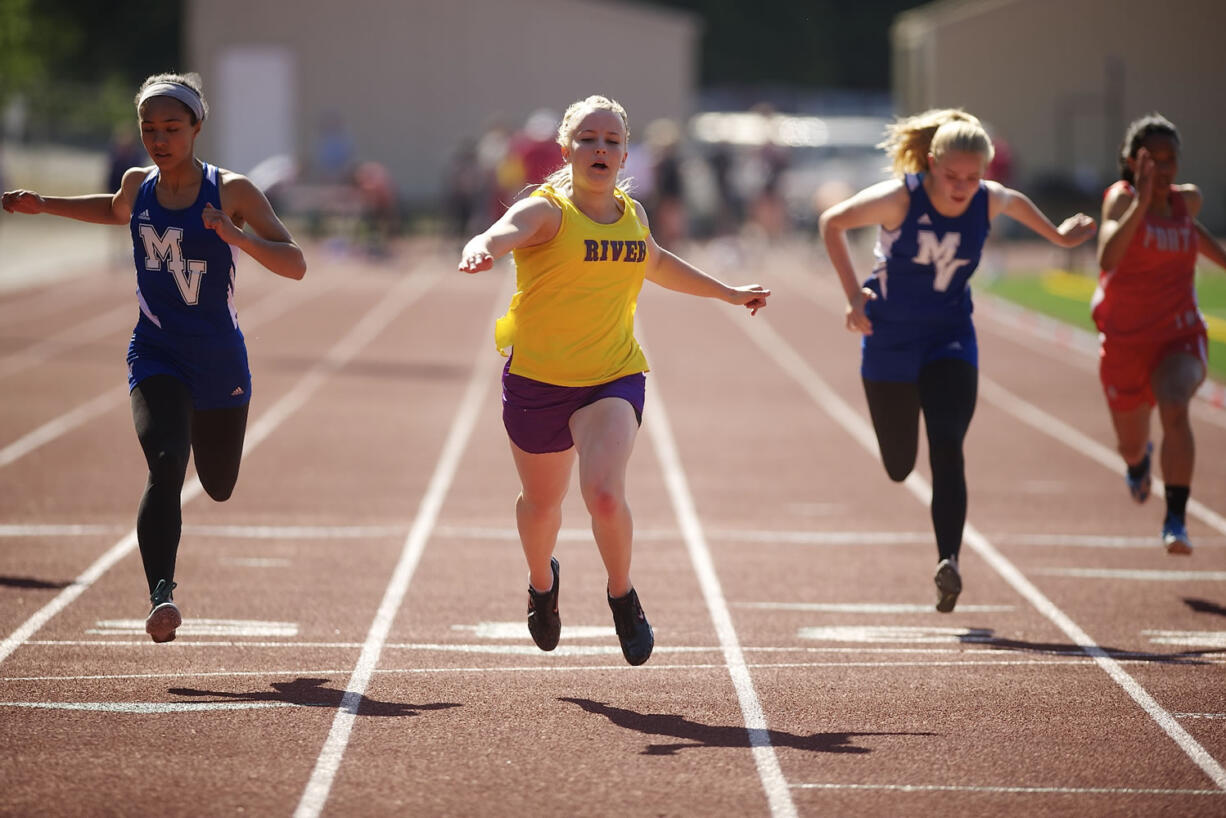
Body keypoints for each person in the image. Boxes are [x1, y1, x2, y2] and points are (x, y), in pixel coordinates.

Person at [458, 95, 769, 665]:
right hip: (538, 381)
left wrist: (727, 291)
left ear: (626, 153)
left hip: (612, 375)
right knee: (541, 506)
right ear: (567, 149)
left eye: (611, 141)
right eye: (588, 139)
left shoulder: (633, 213)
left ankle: (622, 595)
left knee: (603, 495)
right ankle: (541, 584)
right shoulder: (547, 211)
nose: (600, 149)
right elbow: (504, 230)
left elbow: (654, 262)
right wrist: (483, 245)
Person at [2, 72, 306, 642]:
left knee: (217, 483)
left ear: (196, 127)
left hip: (218, 360)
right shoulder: (138, 184)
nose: (159, 139)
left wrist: (238, 238)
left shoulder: (232, 191)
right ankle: (161, 593)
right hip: (156, 350)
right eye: (149, 129)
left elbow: (295, 263)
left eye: (171, 127)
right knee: (166, 460)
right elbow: (114, 210)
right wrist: (44, 205)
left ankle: (196, 439)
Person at [819, 108, 1096, 612]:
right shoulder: (901, 197)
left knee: (948, 441)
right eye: (952, 177)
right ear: (930, 163)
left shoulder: (990, 201)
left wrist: (1060, 237)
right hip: (889, 342)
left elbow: (1026, 212)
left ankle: (949, 559)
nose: (963, 187)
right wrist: (853, 296)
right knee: (900, 466)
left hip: (949, 337)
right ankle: (925, 500)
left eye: (974, 177)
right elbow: (831, 222)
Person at [1092, 113, 1225, 555]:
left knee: (1173, 402)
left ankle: (1176, 519)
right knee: (1130, 444)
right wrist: (1142, 202)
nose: (1164, 169)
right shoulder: (1120, 200)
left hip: (1178, 335)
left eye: (1171, 159)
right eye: (1154, 159)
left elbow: (1197, 237)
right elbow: (1108, 258)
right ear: (1133, 162)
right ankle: (1139, 462)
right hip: (1125, 341)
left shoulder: (1188, 202)